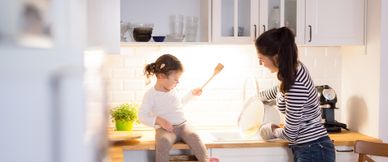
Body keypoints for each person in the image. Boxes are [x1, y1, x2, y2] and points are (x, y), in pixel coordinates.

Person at [255, 27, 336, 162]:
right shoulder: (292, 70)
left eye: (261, 59)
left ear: (276, 56)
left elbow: (291, 134)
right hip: (312, 148)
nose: (260, 63)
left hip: (313, 151)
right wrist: (257, 98)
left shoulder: (295, 83)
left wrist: (272, 129)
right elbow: (279, 90)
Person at [138, 54, 218, 162]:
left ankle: (206, 160)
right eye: (175, 79)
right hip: (165, 129)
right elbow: (142, 116)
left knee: (194, 136)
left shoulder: (174, 90)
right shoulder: (151, 95)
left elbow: (180, 103)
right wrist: (158, 120)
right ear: (161, 76)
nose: (178, 82)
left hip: (183, 125)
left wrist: (192, 94)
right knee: (163, 141)